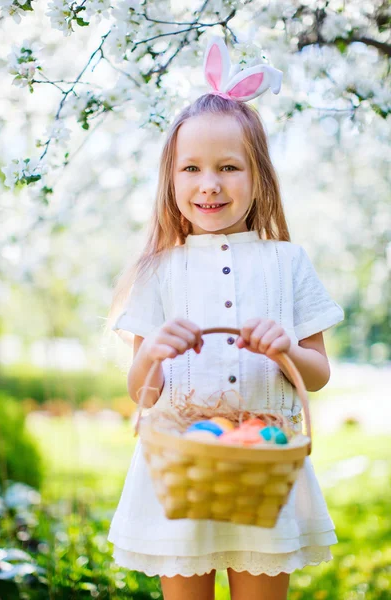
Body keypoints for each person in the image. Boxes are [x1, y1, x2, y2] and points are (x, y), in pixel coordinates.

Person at [106, 37, 344, 600]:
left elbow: (318, 373)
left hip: (263, 468)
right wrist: (152, 351)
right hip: (180, 469)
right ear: (172, 179)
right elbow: (141, 389)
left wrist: (287, 348)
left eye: (228, 167)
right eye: (191, 168)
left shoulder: (287, 262)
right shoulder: (160, 269)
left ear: (257, 175)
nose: (209, 183)